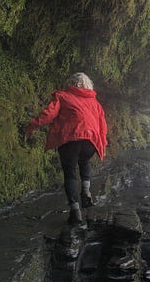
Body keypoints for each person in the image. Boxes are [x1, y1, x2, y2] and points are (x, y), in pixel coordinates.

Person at [25, 72, 108, 225]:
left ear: (71, 83)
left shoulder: (63, 96)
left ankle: (75, 212)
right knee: (84, 162)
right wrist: (102, 143)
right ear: (88, 85)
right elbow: (103, 126)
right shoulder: (95, 103)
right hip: (91, 141)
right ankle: (86, 191)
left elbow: (49, 114)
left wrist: (32, 126)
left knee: (70, 174)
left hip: (70, 139)